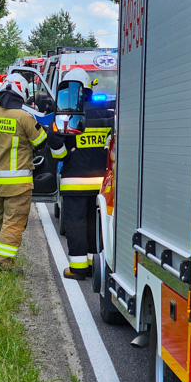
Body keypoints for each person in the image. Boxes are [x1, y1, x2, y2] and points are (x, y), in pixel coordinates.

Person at [0, 74, 48, 271]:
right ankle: (2, 264)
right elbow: (41, 142)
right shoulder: (25, 117)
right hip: (18, 184)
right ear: (21, 93)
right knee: (13, 223)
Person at [49, 68, 113, 280]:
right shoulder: (106, 112)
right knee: (96, 222)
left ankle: (78, 268)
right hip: (103, 183)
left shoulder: (66, 114)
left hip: (74, 181)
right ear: (88, 87)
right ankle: (96, 265)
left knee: (75, 223)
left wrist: (67, 155)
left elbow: (56, 149)